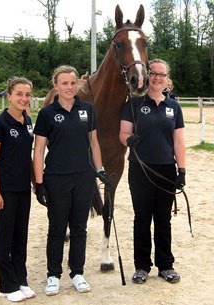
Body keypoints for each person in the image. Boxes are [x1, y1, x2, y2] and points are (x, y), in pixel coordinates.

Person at [33, 65, 111, 295]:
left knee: (80, 227)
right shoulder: (47, 113)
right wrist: (39, 183)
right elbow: (38, 150)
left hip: (84, 178)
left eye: (73, 82)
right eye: (64, 83)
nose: (69, 87)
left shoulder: (87, 109)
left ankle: (77, 272)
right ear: (56, 85)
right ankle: (53, 274)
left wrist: (99, 169)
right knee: (57, 228)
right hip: (56, 178)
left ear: (78, 84)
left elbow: (94, 142)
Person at [119, 59, 185, 284]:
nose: (157, 77)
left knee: (163, 220)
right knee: (142, 218)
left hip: (166, 170)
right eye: (153, 73)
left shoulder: (174, 107)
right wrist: (130, 140)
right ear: (147, 76)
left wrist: (182, 170)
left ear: (167, 79)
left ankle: (166, 265)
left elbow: (178, 141)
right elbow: (122, 133)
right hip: (140, 169)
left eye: (161, 74)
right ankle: (141, 266)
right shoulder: (133, 104)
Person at [0, 77, 36, 302]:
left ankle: (20, 280)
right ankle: (6, 286)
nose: (24, 99)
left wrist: (35, 182)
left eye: (27, 95)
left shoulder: (27, 120)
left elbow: (27, 156)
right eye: (19, 94)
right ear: (9, 96)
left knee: (20, 237)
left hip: (23, 189)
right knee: (4, 238)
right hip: (4, 190)